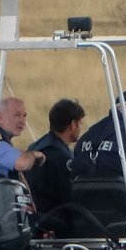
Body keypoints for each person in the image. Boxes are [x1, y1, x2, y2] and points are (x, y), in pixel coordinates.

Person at [27, 97, 85, 235]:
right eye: (80, 124)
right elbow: (68, 196)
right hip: (54, 223)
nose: (80, 128)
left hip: (33, 220)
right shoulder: (61, 156)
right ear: (72, 125)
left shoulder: (35, 147)